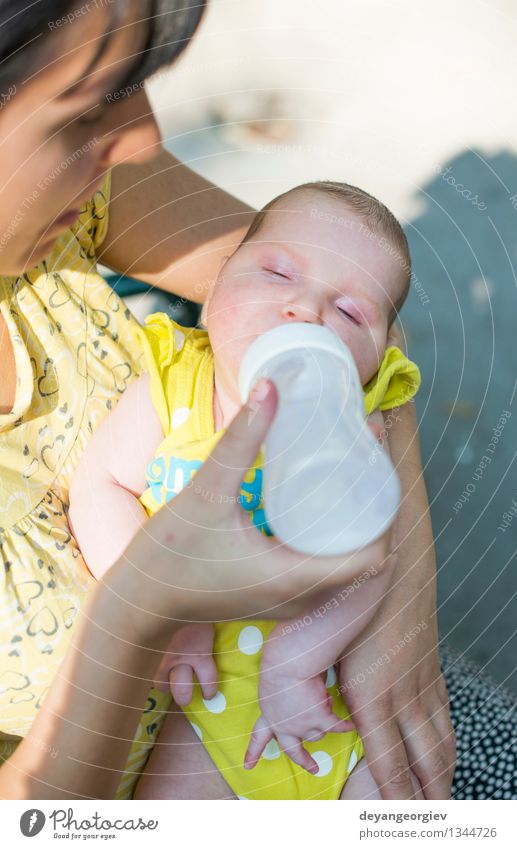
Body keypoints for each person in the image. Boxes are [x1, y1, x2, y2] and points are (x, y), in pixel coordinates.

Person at [0, 0, 455, 799]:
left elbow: (364, 332)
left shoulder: (84, 194)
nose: (143, 137)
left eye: (136, 81)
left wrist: (396, 604)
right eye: (88, 107)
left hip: (329, 687)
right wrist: (143, 612)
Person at [69, 180, 426, 800]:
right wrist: (163, 611)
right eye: (277, 272)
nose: (306, 309)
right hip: (204, 717)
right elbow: (101, 488)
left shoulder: (355, 427)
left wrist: (296, 661)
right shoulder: (173, 383)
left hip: (333, 706)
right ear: (210, 297)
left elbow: (370, 567)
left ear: (374, 359)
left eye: (349, 312)